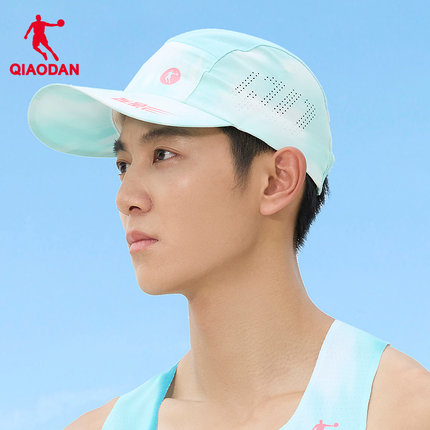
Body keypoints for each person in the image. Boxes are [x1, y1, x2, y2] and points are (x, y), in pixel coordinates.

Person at [27, 28, 430, 430]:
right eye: (123, 165)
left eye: (163, 154)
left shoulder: (402, 411)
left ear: (277, 180)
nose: (125, 198)